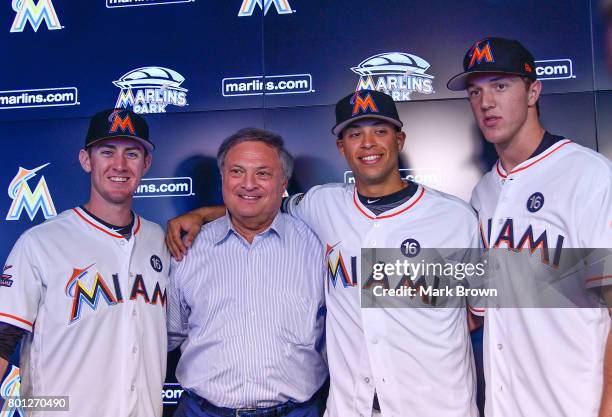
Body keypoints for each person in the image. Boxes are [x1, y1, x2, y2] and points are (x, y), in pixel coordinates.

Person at [166, 90, 480, 417]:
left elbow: (484, 314)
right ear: (341, 147)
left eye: (380, 131)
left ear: (399, 140)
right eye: (355, 134)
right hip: (352, 407)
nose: (368, 143)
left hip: (439, 406)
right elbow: (259, 204)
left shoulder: (455, 217)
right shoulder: (321, 206)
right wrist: (202, 214)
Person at [447, 37, 612, 417]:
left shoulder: (587, 175)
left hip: (575, 406)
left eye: (500, 86)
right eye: (475, 91)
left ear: (533, 90)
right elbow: (481, 312)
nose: (486, 102)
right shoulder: (484, 193)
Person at [0, 109, 169, 416]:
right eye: (107, 152)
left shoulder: (160, 241)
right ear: (86, 160)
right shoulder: (40, 243)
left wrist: (200, 216)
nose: (119, 165)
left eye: (132, 153)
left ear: (146, 164)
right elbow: (3, 336)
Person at [166, 128, 327, 417]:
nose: (248, 184)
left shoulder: (317, 245)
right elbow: (166, 335)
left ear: (283, 183)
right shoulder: (186, 248)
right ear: (224, 178)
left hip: (296, 412)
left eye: (263, 174)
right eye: (237, 171)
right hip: (202, 411)